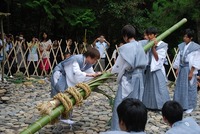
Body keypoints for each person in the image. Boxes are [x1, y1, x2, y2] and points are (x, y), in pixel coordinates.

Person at [110, 24, 147, 130]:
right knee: (136, 103)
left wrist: (109, 72)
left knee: (121, 104)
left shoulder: (126, 48)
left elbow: (119, 65)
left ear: (125, 35)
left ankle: (118, 129)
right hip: (139, 78)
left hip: (129, 79)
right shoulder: (140, 45)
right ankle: (134, 127)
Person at [142, 27, 170, 110]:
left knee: (159, 88)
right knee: (149, 88)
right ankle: (149, 105)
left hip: (157, 69)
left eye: (151, 34)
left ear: (155, 35)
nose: (150, 36)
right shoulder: (147, 43)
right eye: (148, 34)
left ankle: (161, 106)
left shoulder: (162, 45)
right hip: (149, 68)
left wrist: (153, 48)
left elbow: (158, 58)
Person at [173, 29, 200, 113]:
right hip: (182, 68)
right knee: (180, 86)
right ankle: (180, 104)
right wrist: (177, 68)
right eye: (184, 36)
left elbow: (196, 60)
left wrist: (191, 72)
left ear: (190, 38)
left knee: (190, 87)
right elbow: (179, 57)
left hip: (188, 69)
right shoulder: (182, 46)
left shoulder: (195, 47)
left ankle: (190, 105)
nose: (184, 38)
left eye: (186, 36)